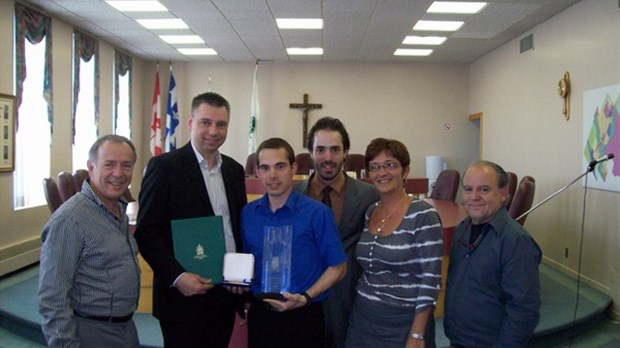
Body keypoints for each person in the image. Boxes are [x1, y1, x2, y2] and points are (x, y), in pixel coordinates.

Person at [135, 92, 247, 347]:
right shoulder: (164, 167)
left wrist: (239, 273)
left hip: (225, 292)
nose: (213, 131)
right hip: (182, 295)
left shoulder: (234, 170)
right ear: (190, 123)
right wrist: (177, 277)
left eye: (221, 124)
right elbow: (147, 232)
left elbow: (236, 228)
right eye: (205, 122)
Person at [241, 137, 347, 348]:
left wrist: (306, 297)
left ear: (293, 168)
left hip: (304, 315)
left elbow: (339, 267)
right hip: (261, 316)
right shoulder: (248, 214)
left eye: (280, 166)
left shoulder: (318, 214)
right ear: (258, 172)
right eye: (265, 167)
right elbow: (247, 262)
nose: (272, 175)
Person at [38, 134, 140, 347]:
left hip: (125, 328)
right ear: (91, 168)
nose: (118, 173)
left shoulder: (118, 207)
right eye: (109, 165)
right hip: (89, 333)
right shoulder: (70, 220)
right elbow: (52, 298)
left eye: (126, 165)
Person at [345, 138, 443, 348]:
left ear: (405, 171)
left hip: (404, 321)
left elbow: (431, 278)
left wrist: (417, 333)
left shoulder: (423, 214)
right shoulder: (371, 211)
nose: (382, 173)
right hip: (363, 319)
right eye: (375, 167)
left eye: (390, 165)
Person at [295, 116, 379, 348]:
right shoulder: (293, 195)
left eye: (335, 150)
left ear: (345, 153)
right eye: (320, 150)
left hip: (349, 298)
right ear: (310, 153)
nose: (328, 158)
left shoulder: (368, 196)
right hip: (304, 297)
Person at [444, 160, 542, 347]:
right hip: (458, 339)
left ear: (503, 194)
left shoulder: (516, 242)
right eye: (468, 189)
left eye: (484, 190)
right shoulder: (462, 229)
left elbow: (523, 311)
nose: (474, 196)